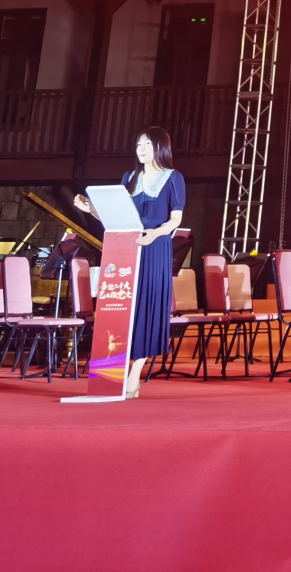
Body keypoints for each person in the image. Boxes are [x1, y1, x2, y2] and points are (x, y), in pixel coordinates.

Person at [74, 125, 183, 398]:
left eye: (147, 144)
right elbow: (117, 216)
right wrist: (90, 209)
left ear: (160, 147)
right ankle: (114, 371)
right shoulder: (129, 178)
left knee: (147, 306)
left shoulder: (173, 178)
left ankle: (134, 374)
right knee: (123, 307)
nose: (141, 149)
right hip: (126, 248)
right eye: (138, 144)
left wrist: (155, 233)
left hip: (155, 247)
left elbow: (176, 219)